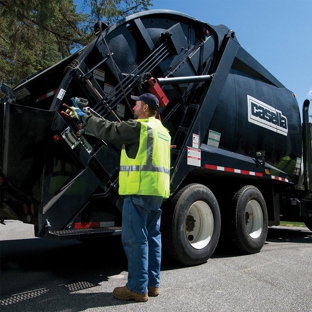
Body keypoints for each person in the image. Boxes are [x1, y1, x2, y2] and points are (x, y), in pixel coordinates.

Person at [73, 93, 171, 302]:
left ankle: (136, 288)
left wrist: (85, 118)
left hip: (138, 191)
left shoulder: (140, 127)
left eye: (136, 104)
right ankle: (152, 285)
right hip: (156, 192)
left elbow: (111, 130)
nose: (133, 108)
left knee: (135, 240)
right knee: (153, 239)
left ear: (145, 108)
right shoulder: (163, 132)